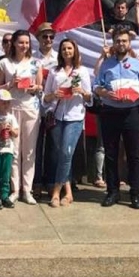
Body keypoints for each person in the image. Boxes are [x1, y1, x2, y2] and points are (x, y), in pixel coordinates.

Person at [93, 29, 139, 209]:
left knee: (133, 155)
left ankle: (135, 193)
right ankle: (112, 191)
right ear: (113, 43)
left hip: (131, 112)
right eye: (118, 41)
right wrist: (103, 92)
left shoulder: (138, 64)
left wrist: (136, 95)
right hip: (110, 111)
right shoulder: (106, 64)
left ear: (129, 43)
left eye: (124, 41)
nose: (121, 44)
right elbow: (96, 85)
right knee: (110, 154)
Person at [0, 30, 43, 204]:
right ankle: (14, 189)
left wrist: (34, 88)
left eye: (27, 43)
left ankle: (27, 190)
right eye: (21, 42)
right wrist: (10, 84)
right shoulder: (4, 63)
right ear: (13, 43)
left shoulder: (36, 63)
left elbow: (40, 87)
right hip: (11, 109)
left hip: (30, 109)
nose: (24, 46)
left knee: (29, 151)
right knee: (13, 150)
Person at [42, 38, 92, 207]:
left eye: (69, 48)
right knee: (62, 155)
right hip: (57, 116)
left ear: (74, 50)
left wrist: (82, 91)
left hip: (74, 117)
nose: (67, 51)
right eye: (64, 48)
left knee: (65, 153)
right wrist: (54, 95)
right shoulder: (54, 71)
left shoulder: (82, 71)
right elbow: (45, 97)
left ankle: (56, 192)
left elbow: (89, 98)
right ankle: (69, 193)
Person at [33, 23, 58, 197]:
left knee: (53, 147)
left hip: (53, 108)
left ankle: (50, 182)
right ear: (38, 38)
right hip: (35, 106)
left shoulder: (59, 58)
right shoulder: (32, 58)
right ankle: (36, 182)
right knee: (35, 147)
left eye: (51, 36)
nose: (48, 40)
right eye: (44, 36)